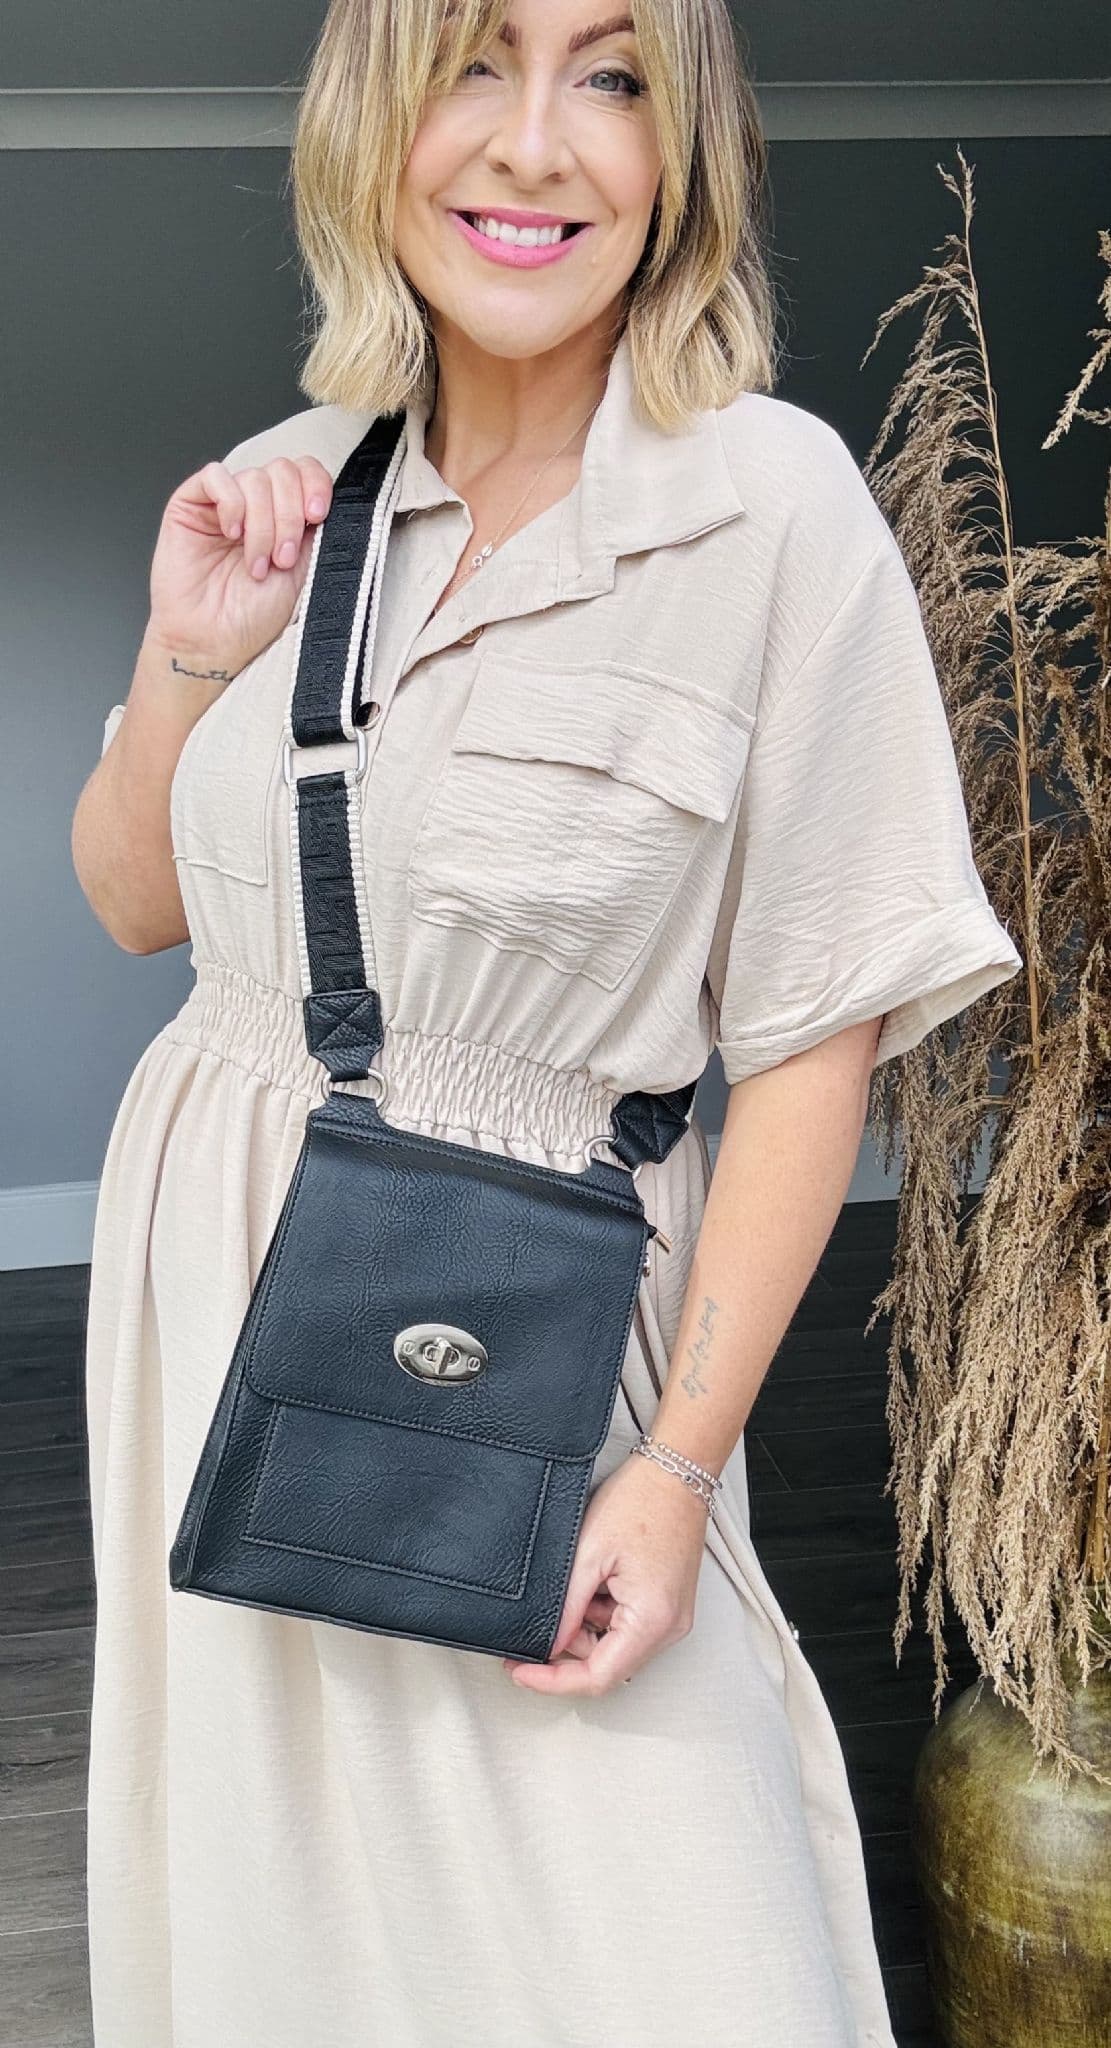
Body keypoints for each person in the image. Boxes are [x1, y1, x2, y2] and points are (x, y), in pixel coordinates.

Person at [72, 1, 1023, 2042]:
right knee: (298, 1953)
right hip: (214, 1331)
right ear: (375, 122)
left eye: (610, 75)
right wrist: (185, 652)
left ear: (680, 154)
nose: (534, 143)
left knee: (676, 1957)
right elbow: (139, 900)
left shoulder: (766, 511)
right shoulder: (301, 477)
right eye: (471, 65)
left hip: (544, 1356)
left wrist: (673, 1475)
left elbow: (813, 1039)